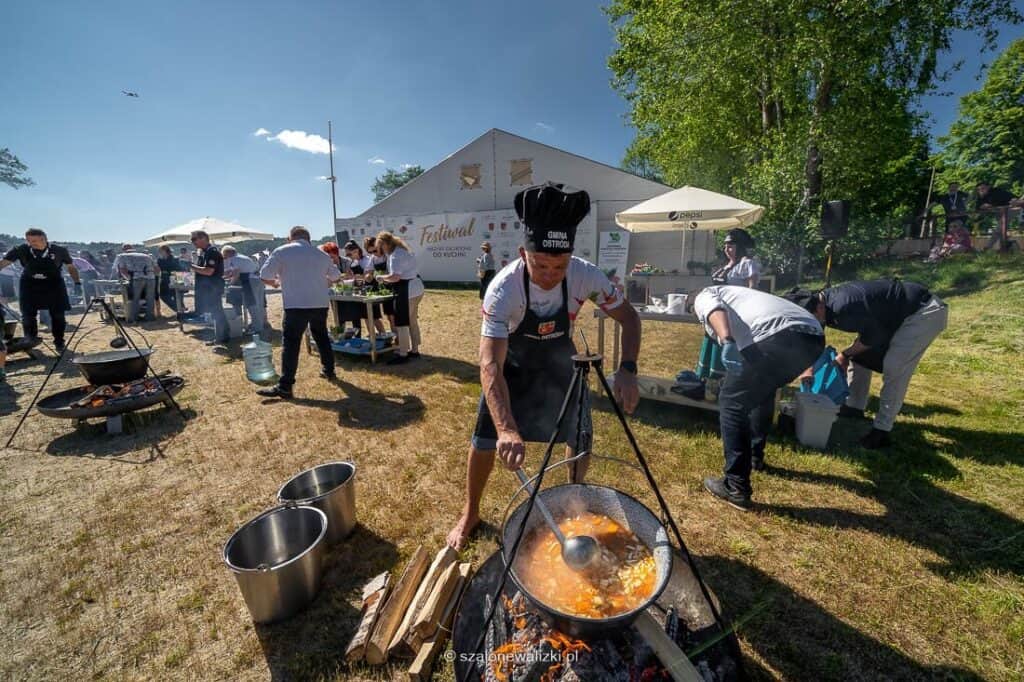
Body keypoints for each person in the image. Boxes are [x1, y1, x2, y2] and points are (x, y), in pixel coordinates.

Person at [446, 182, 642, 550]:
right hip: (511, 367)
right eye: (541, 265)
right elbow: (490, 363)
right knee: (485, 438)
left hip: (560, 363)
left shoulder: (587, 275)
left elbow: (629, 319)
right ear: (523, 253)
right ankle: (470, 511)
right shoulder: (503, 289)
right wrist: (507, 429)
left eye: (559, 265)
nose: (551, 274)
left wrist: (628, 369)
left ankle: (572, 503)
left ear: (571, 257)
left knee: (578, 436)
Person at [689, 286, 824, 510]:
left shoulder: (704, 294)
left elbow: (712, 308)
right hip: (813, 337)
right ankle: (755, 457)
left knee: (732, 402)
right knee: (763, 391)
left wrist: (727, 339)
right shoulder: (740, 295)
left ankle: (736, 487)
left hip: (778, 334)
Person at [784, 279, 948, 449]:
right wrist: (807, 368)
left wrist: (844, 355)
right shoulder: (822, 304)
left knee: (895, 367)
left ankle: (882, 431)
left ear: (818, 307)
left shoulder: (844, 307)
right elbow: (814, 341)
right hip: (889, 317)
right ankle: (854, 407)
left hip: (922, 312)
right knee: (861, 357)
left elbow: (873, 337)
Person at [257, 226, 343, 399]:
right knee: (321, 336)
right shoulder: (322, 255)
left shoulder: (282, 251)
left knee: (291, 343)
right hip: (319, 303)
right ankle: (329, 370)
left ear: (291, 238)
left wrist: (275, 283)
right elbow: (335, 277)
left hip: (296, 304)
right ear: (308, 239)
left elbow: (264, 274)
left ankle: (286, 385)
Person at [697, 228, 761, 386]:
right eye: (725, 246)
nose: (726, 249)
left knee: (727, 349)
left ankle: (725, 386)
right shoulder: (725, 266)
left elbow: (753, 291)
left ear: (740, 247)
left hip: (734, 317)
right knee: (712, 349)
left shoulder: (747, 264)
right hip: (717, 314)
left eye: (730, 246)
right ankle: (708, 384)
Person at [0, 229, 81, 351]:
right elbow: (3, 263)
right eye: (28, 240)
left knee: (58, 314)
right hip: (29, 283)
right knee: (27, 313)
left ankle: (59, 341)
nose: (31, 243)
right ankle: (30, 339)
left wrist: (77, 283)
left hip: (54, 283)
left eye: (34, 241)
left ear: (44, 239)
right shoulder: (21, 249)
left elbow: (70, 267)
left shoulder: (59, 250)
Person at [375, 231, 424, 364]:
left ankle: (403, 353)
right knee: (412, 321)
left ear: (385, 244)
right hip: (416, 288)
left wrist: (380, 277)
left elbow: (395, 277)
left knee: (402, 322)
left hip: (407, 291)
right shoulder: (401, 251)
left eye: (381, 246)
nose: (381, 249)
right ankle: (414, 350)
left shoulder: (396, 255)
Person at [189, 231, 229, 345]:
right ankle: (221, 336)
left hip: (213, 287)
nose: (193, 242)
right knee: (215, 312)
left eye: (194, 239)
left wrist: (190, 266)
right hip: (209, 287)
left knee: (217, 312)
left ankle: (222, 337)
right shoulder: (205, 252)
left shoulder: (212, 252)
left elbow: (208, 271)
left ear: (204, 238)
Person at [344, 239, 386, 336]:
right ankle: (372, 336)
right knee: (365, 316)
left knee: (374, 317)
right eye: (347, 255)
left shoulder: (367, 260)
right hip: (361, 291)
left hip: (371, 290)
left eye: (349, 254)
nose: (348, 257)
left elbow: (369, 277)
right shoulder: (353, 263)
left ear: (356, 251)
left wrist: (357, 277)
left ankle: (384, 336)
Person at [222, 246, 265, 335]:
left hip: (250, 281)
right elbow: (232, 272)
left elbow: (236, 273)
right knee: (257, 304)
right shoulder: (241, 257)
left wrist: (230, 284)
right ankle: (257, 325)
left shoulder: (235, 259)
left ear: (228, 253)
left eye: (224, 255)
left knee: (252, 305)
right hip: (256, 280)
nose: (224, 257)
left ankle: (257, 329)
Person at [112, 244, 158, 322]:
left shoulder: (121, 256)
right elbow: (157, 269)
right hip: (151, 278)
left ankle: (133, 319)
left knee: (135, 298)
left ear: (124, 250)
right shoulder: (146, 256)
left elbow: (122, 270)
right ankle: (150, 317)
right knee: (150, 298)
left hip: (137, 278)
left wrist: (129, 279)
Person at [365, 236, 396, 331]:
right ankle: (395, 337)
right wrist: (368, 277)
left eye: (374, 251)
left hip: (393, 287)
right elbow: (369, 273)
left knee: (393, 316)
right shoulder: (373, 258)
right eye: (370, 252)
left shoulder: (388, 255)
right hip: (383, 289)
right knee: (388, 315)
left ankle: (399, 338)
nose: (373, 254)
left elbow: (394, 273)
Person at [974, 181, 1016, 250]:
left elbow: (999, 201)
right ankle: (1006, 246)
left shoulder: (996, 191)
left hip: (1011, 208)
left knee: (999, 228)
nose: (981, 191)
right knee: (1002, 230)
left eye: (983, 188)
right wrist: (982, 206)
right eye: (979, 189)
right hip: (999, 211)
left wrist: (990, 205)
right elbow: (977, 207)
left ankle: (988, 247)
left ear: (988, 187)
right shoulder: (981, 196)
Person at [156, 245, 186, 314]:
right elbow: (158, 270)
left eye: (160, 251)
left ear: (165, 251)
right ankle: (178, 309)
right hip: (165, 280)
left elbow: (180, 270)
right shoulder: (160, 260)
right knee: (163, 295)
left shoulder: (175, 259)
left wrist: (181, 281)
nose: (159, 253)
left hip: (176, 278)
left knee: (177, 295)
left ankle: (181, 311)